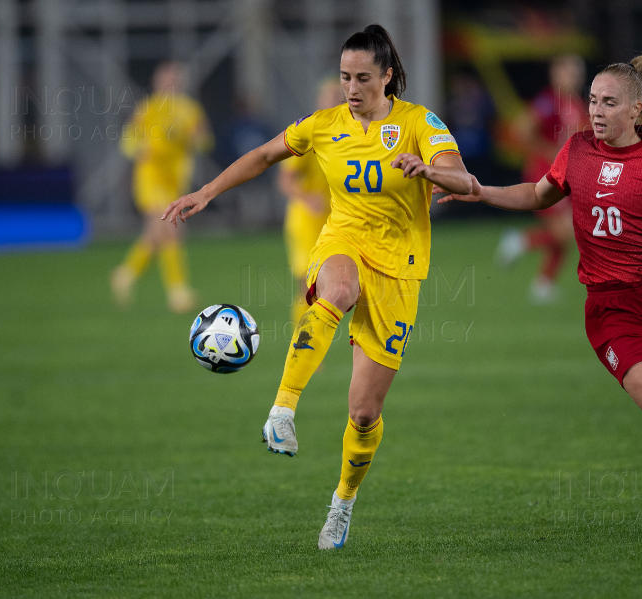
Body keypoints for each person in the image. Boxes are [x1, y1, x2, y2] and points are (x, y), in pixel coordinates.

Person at [437, 34, 642, 539]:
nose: (595, 110)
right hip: (612, 312)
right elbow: (536, 193)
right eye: (593, 100)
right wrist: (480, 191)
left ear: (637, 109)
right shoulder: (575, 151)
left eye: (608, 102)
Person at [163, 25, 472, 549]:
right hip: (342, 240)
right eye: (346, 76)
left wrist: (431, 172)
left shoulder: (421, 122)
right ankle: (282, 411)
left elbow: (464, 178)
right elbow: (263, 157)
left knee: (364, 413)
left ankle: (342, 503)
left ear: (388, 75)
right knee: (338, 289)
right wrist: (207, 190)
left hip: (400, 267)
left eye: (363, 78)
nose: (351, 87)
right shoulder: (323, 125)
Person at [111, 62, 213, 314]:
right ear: (157, 83)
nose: (171, 84)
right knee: (171, 228)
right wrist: (140, 149)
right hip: (150, 177)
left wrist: (197, 138)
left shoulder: (190, 110)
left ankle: (125, 274)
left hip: (175, 180)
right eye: (166, 80)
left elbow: (205, 142)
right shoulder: (148, 109)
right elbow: (128, 141)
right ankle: (178, 292)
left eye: (175, 79)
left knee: (156, 234)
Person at [496, 55, 589, 303]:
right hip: (544, 173)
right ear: (555, 73)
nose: (574, 76)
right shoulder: (550, 100)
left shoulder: (576, 105)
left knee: (566, 231)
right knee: (566, 230)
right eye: (569, 70)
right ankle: (519, 241)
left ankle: (543, 285)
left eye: (577, 71)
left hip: (563, 175)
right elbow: (520, 128)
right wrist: (547, 151)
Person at [276, 79, 343, 330]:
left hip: (335, 220)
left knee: (336, 286)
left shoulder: (350, 136)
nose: (337, 100)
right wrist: (307, 199)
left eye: (340, 96)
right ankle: (302, 343)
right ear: (320, 101)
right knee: (307, 284)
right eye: (332, 95)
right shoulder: (308, 134)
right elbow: (284, 180)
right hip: (305, 219)